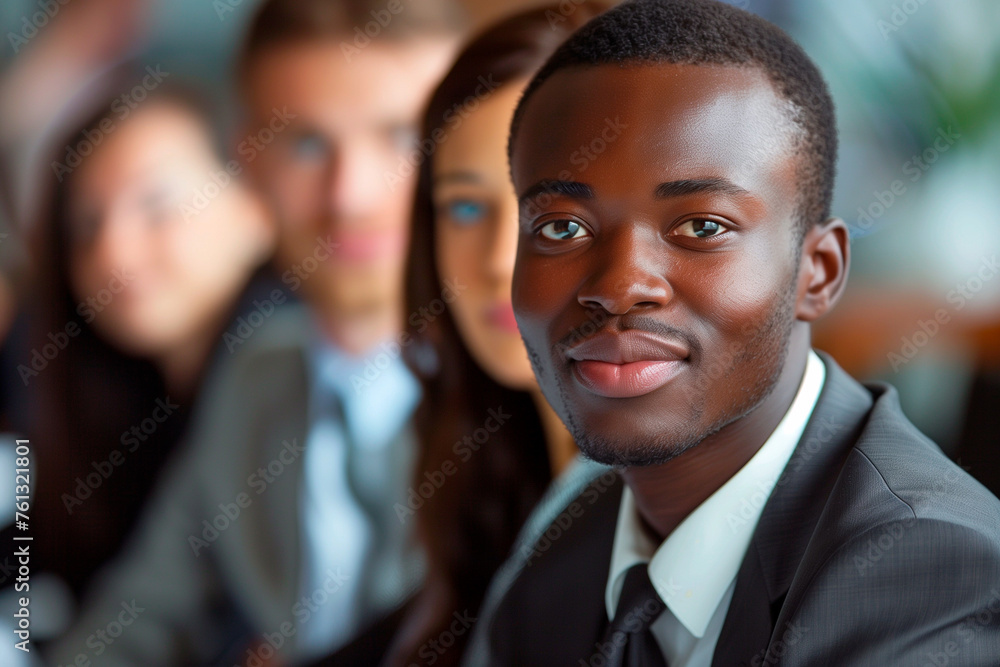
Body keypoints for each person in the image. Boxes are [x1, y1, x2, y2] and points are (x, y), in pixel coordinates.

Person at [475, 1, 1000, 665]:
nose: (618, 284)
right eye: (562, 228)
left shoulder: (929, 575)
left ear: (820, 271)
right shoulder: (560, 561)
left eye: (702, 226)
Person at [46, 1, 465, 665]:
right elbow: (139, 616)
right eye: (305, 142)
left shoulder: (529, 395)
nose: (349, 193)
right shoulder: (258, 375)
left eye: (399, 136)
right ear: (249, 162)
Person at [381, 6, 612, 665]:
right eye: (464, 207)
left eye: (550, 210)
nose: (494, 260)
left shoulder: (664, 510)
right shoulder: (489, 467)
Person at [8, 81, 274, 610]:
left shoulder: (302, 388)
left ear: (256, 205)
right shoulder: (113, 415)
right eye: (86, 225)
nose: (114, 252)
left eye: (156, 207)